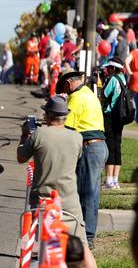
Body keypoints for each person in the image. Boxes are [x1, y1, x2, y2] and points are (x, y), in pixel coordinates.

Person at [17, 95, 97, 267]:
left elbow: (21, 157)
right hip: (69, 201)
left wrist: (24, 136)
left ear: (47, 116)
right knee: (83, 247)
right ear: (65, 116)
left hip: (42, 202)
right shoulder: (77, 138)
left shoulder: (38, 135)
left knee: (41, 248)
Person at [56, 69, 108, 247]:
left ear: (68, 83)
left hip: (90, 147)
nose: (65, 91)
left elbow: (65, 127)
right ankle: (86, 234)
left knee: (86, 194)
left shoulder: (77, 98)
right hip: (97, 145)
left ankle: (86, 237)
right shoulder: (88, 93)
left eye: (64, 87)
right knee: (91, 194)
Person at [100, 57, 126, 191]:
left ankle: (109, 180)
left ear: (113, 68)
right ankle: (115, 180)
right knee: (117, 147)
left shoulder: (112, 79)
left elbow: (103, 94)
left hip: (110, 115)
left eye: (108, 68)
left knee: (109, 146)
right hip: (120, 116)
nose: (106, 70)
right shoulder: (123, 78)